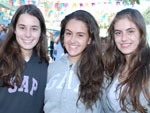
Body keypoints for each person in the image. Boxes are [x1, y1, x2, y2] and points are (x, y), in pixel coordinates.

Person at [44, 10, 104, 113]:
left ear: (89, 39)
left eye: (80, 35)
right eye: (68, 33)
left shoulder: (101, 71)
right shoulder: (51, 68)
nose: (72, 40)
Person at [0, 4, 49, 113]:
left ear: (41, 32)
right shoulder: (2, 59)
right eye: (22, 27)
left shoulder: (46, 67)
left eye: (34, 28)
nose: (28, 34)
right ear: (14, 29)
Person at [102, 8, 150, 113]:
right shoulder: (112, 67)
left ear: (141, 33)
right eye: (118, 33)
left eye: (130, 31)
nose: (124, 38)